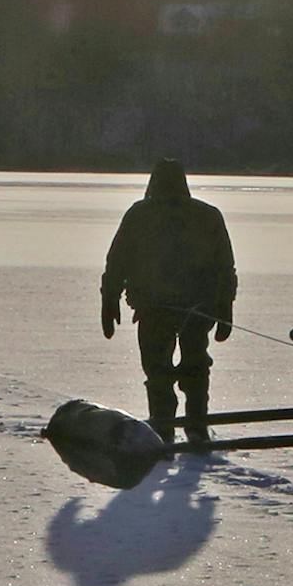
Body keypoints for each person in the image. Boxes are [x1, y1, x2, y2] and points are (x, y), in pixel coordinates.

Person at [100, 159, 237, 447]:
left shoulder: (139, 214)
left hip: (161, 309)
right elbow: (225, 267)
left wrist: (110, 298)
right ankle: (193, 426)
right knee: (195, 367)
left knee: (159, 371)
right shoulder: (207, 215)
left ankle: (165, 430)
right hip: (194, 309)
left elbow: (117, 261)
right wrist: (225, 305)